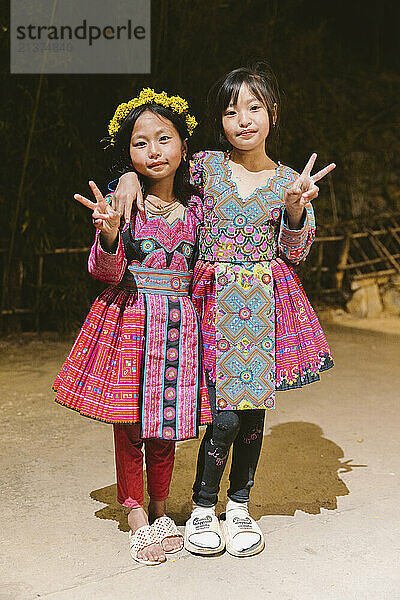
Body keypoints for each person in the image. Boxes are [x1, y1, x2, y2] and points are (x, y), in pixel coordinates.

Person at [111, 64, 336, 557]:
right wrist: (127, 175)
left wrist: (296, 208)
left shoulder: (287, 182)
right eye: (232, 111)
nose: (243, 120)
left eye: (254, 108)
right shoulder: (206, 167)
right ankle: (200, 508)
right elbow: (160, 162)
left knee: (252, 416)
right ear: (221, 122)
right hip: (207, 308)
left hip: (258, 312)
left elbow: (295, 252)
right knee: (223, 416)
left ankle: (238, 506)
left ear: (272, 114)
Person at [53, 88, 212, 565]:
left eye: (164, 139)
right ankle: (135, 512)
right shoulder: (122, 208)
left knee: (166, 424)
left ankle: (163, 508)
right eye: (140, 144)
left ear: (184, 146)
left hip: (179, 328)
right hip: (131, 324)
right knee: (130, 424)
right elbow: (105, 272)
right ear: (128, 154)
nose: (154, 151)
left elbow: (205, 271)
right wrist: (107, 233)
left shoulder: (199, 212)